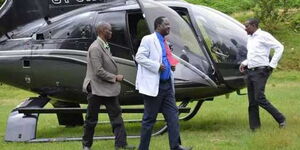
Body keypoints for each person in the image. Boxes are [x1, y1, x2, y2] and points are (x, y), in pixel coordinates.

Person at [135, 16, 191, 150]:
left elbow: (165, 57)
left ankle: (176, 146)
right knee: (149, 120)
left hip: (167, 86)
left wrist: (171, 66)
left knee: (173, 117)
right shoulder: (148, 39)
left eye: (169, 24)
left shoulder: (165, 41)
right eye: (166, 24)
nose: (169, 27)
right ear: (158, 25)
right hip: (155, 86)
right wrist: (156, 65)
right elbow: (139, 57)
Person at [82, 22, 135, 150]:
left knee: (117, 117)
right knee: (91, 119)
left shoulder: (104, 45)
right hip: (96, 89)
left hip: (108, 89)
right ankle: (86, 146)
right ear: (102, 31)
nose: (111, 33)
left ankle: (121, 145)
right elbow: (98, 71)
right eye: (109, 31)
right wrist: (115, 77)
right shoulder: (95, 48)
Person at [239, 18, 286, 131]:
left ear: (254, 25)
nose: (245, 29)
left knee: (259, 98)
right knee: (252, 101)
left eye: (247, 26)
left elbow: (279, 47)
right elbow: (254, 55)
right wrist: (244, 63)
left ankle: (281, 119)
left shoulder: (264, 35)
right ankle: (255, 128)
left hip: (261, 71)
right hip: (250, 71)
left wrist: (272, 65)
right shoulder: (250, 38)